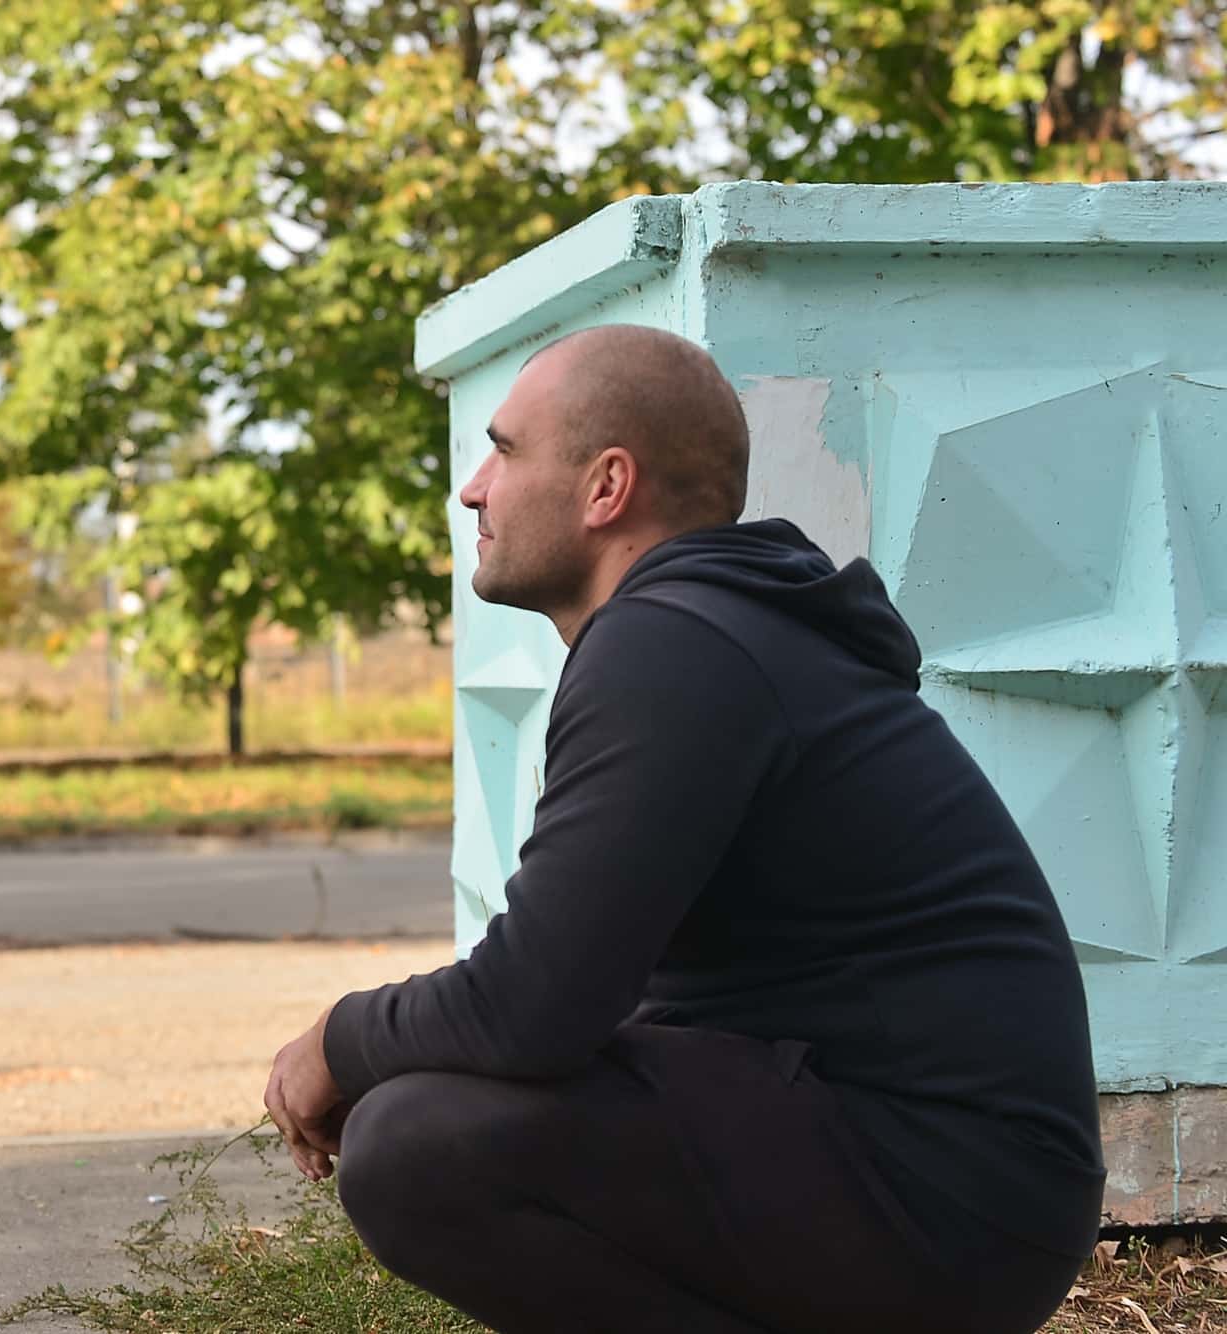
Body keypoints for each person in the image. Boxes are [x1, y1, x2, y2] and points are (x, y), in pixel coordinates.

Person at [263, 324, 1105, 1334]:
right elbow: (585, 1000)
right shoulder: (707, 629)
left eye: (505, 449)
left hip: (945, 1196)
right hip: (953, 1184)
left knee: (417, 1137)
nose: (472, 487)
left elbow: (535, 1003)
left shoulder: (675, 644)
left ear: (604, 486)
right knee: (435, 1095)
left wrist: (340, 1038)